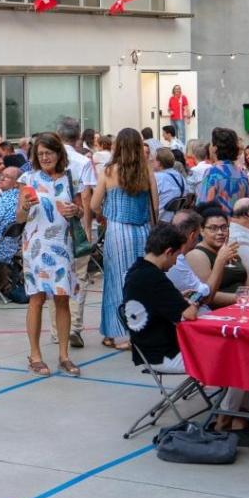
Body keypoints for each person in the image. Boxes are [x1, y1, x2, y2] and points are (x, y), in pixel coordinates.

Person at [21, 133, 84, 376]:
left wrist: (75, 210)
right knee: (36, 298)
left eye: (49, 152)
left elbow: (80, 211)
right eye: (41, 154)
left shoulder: (71, 177)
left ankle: (64, 355)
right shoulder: (28, 179)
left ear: (59, 153)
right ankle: (35, 355)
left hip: (62, 243)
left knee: (62, 297)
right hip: (35, 244)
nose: (45, 157)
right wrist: (25, 207)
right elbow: (19, 218)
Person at [94, 128, 157, 350]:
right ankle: (138, 330)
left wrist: (105, 213)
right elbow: (154, 206)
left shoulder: (109, 171)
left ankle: (113, 332)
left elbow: (94, 205)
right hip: (142, 230)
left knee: (115, 281)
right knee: (139, 282)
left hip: (118, 231)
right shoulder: (146, 170)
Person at [121, 222, 199, 375]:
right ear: (169, 252)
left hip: (146, 348)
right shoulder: (155, 278)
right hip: (164, 354)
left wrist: (175, 297)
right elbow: (190, 314)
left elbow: (153, 301)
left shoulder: (135, 271)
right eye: (177, 256)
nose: (176, 262)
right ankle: (230, 400)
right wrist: (193, 303)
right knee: (228, 356)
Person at [56, 117, 99, 348]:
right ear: (78, 137)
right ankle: (75, 326)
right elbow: (86, 196)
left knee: (57, 277)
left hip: (55, 227)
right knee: (79, 277)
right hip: (79, 225)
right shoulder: (82, 161)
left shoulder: (47, 160)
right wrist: (87, 229)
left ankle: (56, 329)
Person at [182, 204, 246, 298]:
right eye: (213, 228)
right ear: (202, 231)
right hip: (221, 309)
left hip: (245, 303)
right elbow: (207, 296)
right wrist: (243, 298)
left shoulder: (228, 249)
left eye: (224, 227)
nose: (220, 232)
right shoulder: (197, 255)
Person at [195, 126, 249, 213]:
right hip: (238, 223)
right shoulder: (242, 173)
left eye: (211, 144)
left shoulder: (213, 173)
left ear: (215, 149)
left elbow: (203, 204)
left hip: (219, 223)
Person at [153, 146, 187, 216]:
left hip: (160, 219)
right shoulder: (180, 177)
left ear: (159, 163)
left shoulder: (158, 178)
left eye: (153, 160)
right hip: (175, 218)